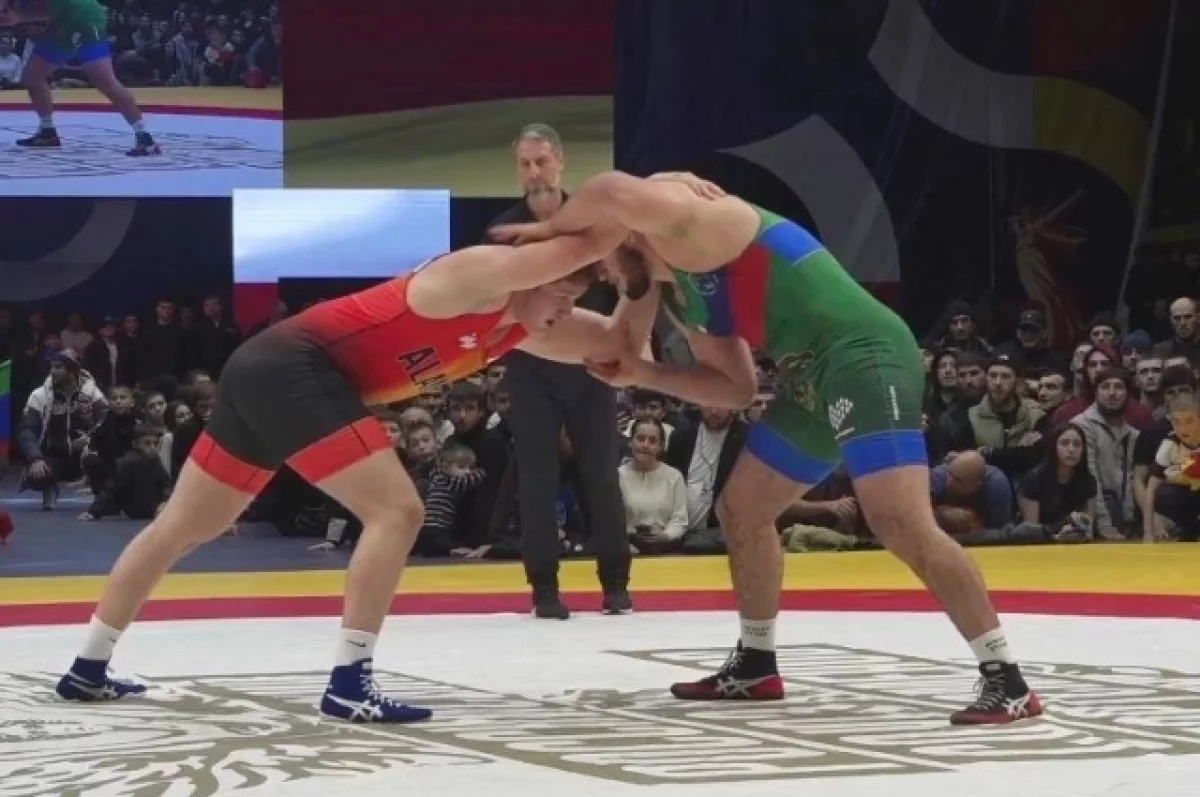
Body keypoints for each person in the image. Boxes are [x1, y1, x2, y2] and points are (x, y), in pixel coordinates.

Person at [494, 170, 1043, 725]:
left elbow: (613, 187)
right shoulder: (685, 298)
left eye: (597, 255)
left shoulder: (694, 229)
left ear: (620, 231)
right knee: (742, 509)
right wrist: (642, 372)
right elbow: (737, 389)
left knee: (900, 522)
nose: (602, 274)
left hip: (863, 354)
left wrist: (550, 230)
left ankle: (1007, 679)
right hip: (808, 380)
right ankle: (756, 663)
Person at [55, 228, 659, 725]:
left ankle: (88, 667)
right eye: (562, 292)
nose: (568, 306)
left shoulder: (527, 328)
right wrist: (630, 222)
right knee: (398, 511)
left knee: (185, 527)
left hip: (267, 373)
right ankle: (350, 683)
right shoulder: (473, 276)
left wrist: (645, 275)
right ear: (534, 274)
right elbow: (552, 254)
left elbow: (621, 348)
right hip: (294, 367)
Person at [485, 123, 632, 619]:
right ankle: (544, 587)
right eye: (525, 164)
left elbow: (626, 287)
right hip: (531, 367)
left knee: (602, 473)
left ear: (561, 162)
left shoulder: (594, 222)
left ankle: (616, 581)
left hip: (591, 365)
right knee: (537, 475)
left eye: (542, 162)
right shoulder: (503, 232)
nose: (534, 173)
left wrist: (631, 347)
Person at [0, 0, 161, 155]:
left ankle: (145, 137)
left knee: (102, 79)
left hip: (84, 17)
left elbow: (50, 8)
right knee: (32, 76)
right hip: (61, 21)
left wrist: (20, 17)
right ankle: (47, 130)